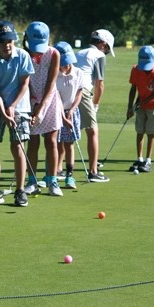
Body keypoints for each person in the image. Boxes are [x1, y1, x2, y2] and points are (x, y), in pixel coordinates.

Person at [0, 20, 35, 207]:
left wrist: (12, 106)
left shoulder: (23, 56)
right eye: (3, 41)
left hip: (19, 107)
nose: (7, 45)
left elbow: (24, 84)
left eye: (10, 40)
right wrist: (4, 110)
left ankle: (20, 191)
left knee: (17, 147)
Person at [22, 22, 63, 197]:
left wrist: (41, 106)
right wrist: (33, 103)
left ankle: (52, 180)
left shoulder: (54, 53)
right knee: (33, 141)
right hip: (29, 100)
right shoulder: (23, 53)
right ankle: (32, 180)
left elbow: (51, 83)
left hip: (50, 99)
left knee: (51, 140)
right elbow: (24, 81)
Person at [74, 29, 115, 182]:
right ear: (103, 44)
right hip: (83, 92)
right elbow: (100, 84)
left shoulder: (79, 53)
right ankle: (93, 172)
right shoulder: (98, 56)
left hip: (68, 91)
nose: (106, 53)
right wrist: (95, 104)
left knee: (69, 131)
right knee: (92, 130)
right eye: (107, 49)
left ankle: (59, 169)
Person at [126, 46, 154, 173]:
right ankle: (140, 159)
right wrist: (130, 107)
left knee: (150, 132)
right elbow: (133, 89)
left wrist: (143, 102)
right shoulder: (136, 69)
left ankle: (148, 161)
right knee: (139, 130)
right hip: (141, 104)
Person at [54, 42, 84, 190]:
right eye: (61, 64)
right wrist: (63, 117)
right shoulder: (54, 74)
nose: (64, 67)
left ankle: (69, 176)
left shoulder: (78, 72)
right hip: (57, 111)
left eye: (66, 64)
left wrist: (72, 110)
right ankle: (54, 173)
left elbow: (79, 92)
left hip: (72, 111)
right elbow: (56, 97)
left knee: (69, 144)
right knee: (56, 143)